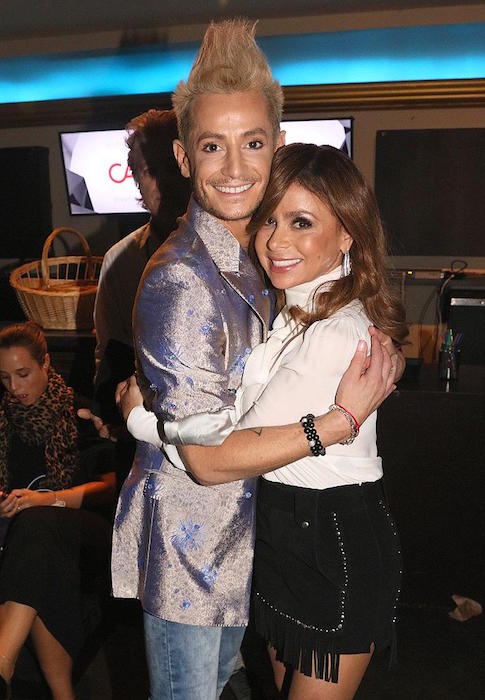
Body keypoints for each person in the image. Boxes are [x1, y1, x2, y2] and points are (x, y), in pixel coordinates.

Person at [111, 19, 402, 700]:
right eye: (213, 147)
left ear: (278, 146)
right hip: (196, 551)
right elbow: (209, 457)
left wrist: (141, 421)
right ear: (183, 158)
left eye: (251, 144)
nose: (235, 169)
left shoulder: (273, 268)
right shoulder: (185, 278)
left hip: (271, 538)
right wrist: (334, 423)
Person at [0, 321, 115, 700]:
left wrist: (44, 500)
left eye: (23, 374)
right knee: (34, 551)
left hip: (88, 532)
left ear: (46, 364)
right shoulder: (3, 420)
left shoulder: (80, 413)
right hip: (30, 540)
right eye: (4, 378)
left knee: (36, 526)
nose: (14, 388)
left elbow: (109, 489)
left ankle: (2, 662)